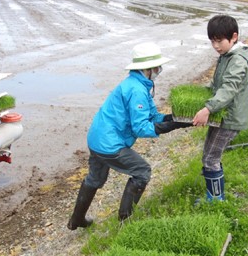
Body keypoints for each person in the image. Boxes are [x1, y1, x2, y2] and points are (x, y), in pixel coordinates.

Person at [67, 42, 192, 230]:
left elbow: (153, 117)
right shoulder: (137, 90)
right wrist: (172, 126)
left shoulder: (139, 84)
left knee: (94, 179)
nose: (160, 69)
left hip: (97, 138)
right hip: (110, 143)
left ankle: (76, 220)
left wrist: (175, 119)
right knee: (142, 171)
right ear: (148, 68)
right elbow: (142, 128)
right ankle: (125, 223)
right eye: (157, 66)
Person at [192, 15, 248, 202]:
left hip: (229, 119)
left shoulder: (238, 60)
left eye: (219, 41)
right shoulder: (226, 55)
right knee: (210, 155)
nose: (215, 46)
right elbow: (219, 84)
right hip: (222, 115)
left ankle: (216, 201)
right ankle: (215, 197)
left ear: (234, 37)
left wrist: (207, 108)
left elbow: (229, 88)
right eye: (212, 41)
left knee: (210, 159)